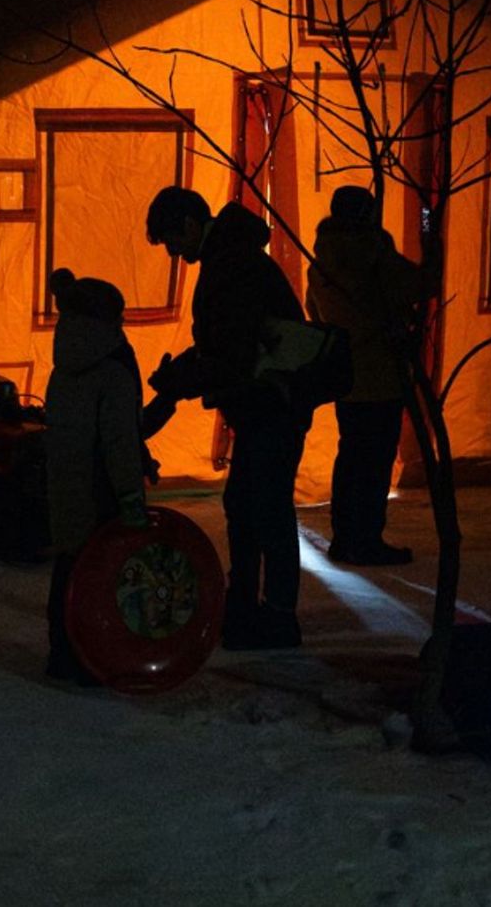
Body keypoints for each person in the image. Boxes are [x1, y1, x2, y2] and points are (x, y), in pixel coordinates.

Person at [144, 185, 308, 650]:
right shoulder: (232, 259)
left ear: (191, 225)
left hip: (271, 405)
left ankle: (274, 618)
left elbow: (230, 354)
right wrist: (180, 377)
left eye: (174, 242)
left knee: (266, 510)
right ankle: (251, 609)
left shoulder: (230, 266)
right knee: (248, 506)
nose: (176, 253)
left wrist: (178, 384)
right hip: (268, 404)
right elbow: (226, 344)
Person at [41, 267, 150, 685]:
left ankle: (63, 653)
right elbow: (119, 442)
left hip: (67, 482)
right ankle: (93, 657)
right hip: (100, 487)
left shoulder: (63, 365)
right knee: (103, 573)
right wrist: (130, 497)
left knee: (70, 566)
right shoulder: (113, 371)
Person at [306, 184, 423, 566]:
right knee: (374, 462)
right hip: (381, 371)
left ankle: (345, 536)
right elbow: (417, 285)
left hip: (348, 375)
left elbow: (316, 315)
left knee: (351, 456)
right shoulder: (374, 253)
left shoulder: (320, 262)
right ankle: (367, 538)